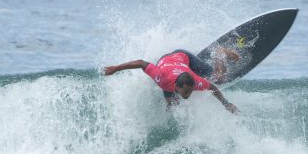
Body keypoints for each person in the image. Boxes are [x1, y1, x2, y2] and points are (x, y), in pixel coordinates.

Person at [102, 49, 238, 113]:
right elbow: (141, 63)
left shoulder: (196, 82)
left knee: (219, 79)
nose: (188, 95)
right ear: (177, 86)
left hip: (185, 59)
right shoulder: (161, 78)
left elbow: (213, 88)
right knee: (172, 107)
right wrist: (116, 68)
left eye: (190, 91)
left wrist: (226, 104)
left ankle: (220, 53)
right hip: (172, 58)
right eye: (185, 91)